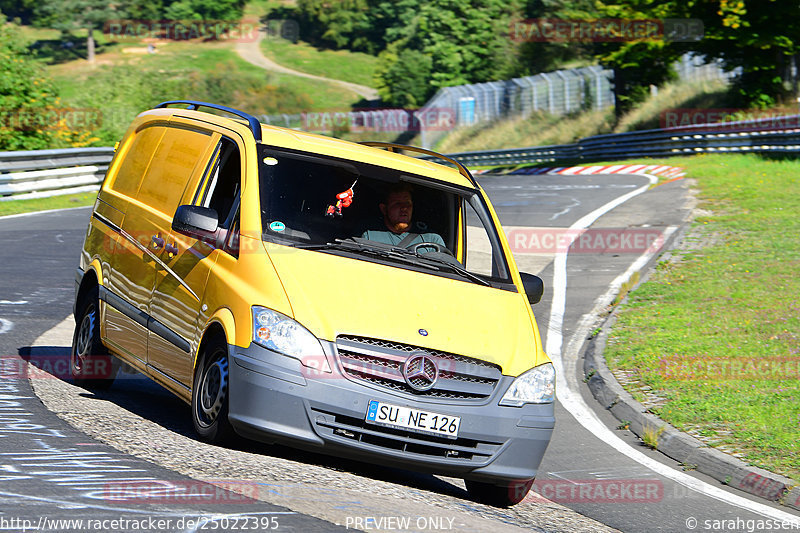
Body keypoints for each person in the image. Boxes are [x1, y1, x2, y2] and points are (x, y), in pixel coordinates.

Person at [361, 184, 446, 250]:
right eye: (397, 203)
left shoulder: (432, 239)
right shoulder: (370, 237)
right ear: (384, 209)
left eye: (407, 203)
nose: (404, 208)